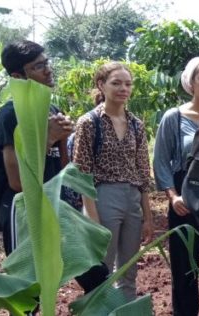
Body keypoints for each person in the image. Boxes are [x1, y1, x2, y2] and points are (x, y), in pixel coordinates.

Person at [0, 40, 109, 293]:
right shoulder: (9, 115)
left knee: (95, 276)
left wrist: (61, 140)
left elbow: (63, 170)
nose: (48, 70)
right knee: (29, 291)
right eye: (38, 67)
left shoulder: (51, 109)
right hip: (24, 212)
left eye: (47, 63)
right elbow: (17, 181)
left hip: (57, 205)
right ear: (18, 76)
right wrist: (48, 137)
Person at [73, 62, 154, 300]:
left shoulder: (136, 124)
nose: (123, 88)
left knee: (128, 270)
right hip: (103, 196)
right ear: (101, 85)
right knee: (102, 270)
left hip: (132, 199)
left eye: (128, 84)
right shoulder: (88, 123)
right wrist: (93, 218)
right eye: (116, 83)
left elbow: (142, 172)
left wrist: (148, 217)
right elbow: (81, 174)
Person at [153, 56, 199, 316]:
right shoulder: (174, 117)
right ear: (190, 83)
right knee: (184, 268)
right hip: (184, 197)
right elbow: (161, 161)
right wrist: (173, 197)